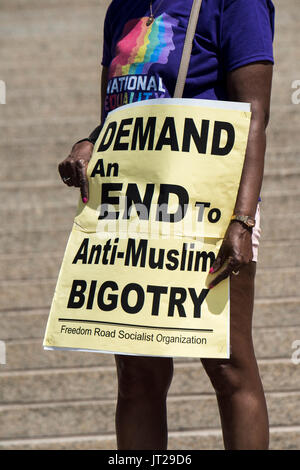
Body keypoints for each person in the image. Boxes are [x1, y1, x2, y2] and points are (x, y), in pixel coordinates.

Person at [58, 0, 275, 450]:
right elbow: (117, 119)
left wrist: (242, 218)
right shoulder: (123, 8)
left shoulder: (235, 4)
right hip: (132, 214)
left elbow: (254, 115)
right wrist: (88, 144)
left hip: (208, 209)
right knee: (137, 375)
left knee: (228, 366)